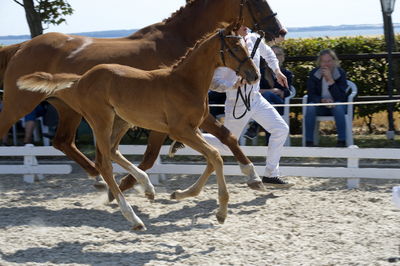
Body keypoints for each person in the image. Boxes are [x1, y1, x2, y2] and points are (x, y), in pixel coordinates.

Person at [171, 26, 293, 188]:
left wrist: (277, 71)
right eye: (241, 24)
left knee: (281, 129)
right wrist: (233, 85)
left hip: (256, 98)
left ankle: (271, 175)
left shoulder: (255, 38)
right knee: (226, 147)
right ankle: (186, 137)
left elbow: (269, 54)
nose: (245, 27)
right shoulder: (227, 49)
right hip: (238, 102)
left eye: (246, 24)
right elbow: (215, 83)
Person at [244, 46, 293, 144]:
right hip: (264, 105)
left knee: (267, 101)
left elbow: (288, 91)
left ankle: (254, 126)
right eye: (273, 55)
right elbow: (254, 90)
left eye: (278, 54)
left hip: (280, 103)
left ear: (282, 57)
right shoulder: (260, 73)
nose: (276, 57)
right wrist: (271, 91)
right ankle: (268, 143)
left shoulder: (286, 73)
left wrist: (281, 92)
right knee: (269, 103)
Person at [304, 49, 348, 147]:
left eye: (329, 61)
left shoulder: (340, 73)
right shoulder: (314, 74)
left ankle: (342, 141)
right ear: (320, 62)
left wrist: (331, 80)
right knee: (310, 107)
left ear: (334, 61)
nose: (327, 64)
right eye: (324, 61)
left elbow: (341, 97)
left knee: (338, 106)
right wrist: (321, 100)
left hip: (336, 105)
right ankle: (309, 142)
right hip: (321, 106)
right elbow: (311, 95)